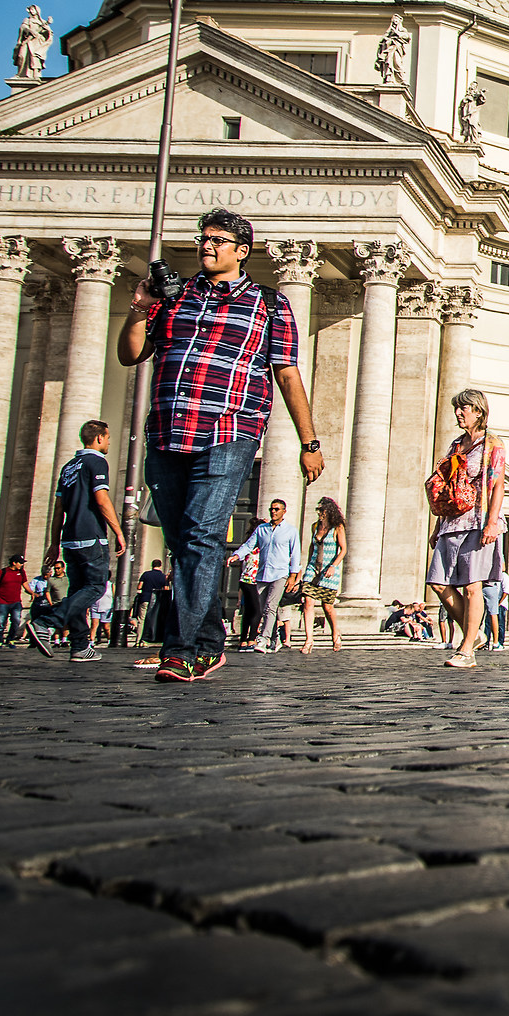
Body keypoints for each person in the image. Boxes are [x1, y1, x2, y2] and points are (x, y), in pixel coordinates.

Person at [116, 207, 323, 684]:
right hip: (167, 430)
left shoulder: (269, 304)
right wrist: (140, 307)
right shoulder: (174, 297)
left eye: (217, 240)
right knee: (184, 543)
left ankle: (182, 649)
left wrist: (308, 441)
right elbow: (131, 355)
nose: (206, 246)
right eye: (203, 238)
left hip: (229, 431)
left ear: (242, 251)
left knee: (201, 536)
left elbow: (287, 373)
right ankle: (209, 644)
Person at [29, 420, 124, 663]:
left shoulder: (68, 467)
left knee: (76, 592)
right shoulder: (96, 462)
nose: (109, 442)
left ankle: (80, 646)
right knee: (96, 587)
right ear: (99, 438)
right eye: (108, 437)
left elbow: (58, 508)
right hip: (91, 536)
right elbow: (101, 499)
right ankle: (46, 622)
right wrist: (118, 531)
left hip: (70, 539)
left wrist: (54, 543)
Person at [426, 389, 505, 669]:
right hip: (452, 522)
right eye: (457, 408)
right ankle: (476, 633)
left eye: (464, 408)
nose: (459, 413)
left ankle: (467, 649)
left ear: (478, 411)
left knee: (473, 586)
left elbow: (498, 485)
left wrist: (492, 523)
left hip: (479, 521)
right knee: (438, 582)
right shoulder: (456, 445)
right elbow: (449, 485)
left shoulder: (493, 444)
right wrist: (438, 525)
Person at [227, 496, 300, 655]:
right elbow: (249, 545)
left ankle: (263, 639)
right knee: (261, 608)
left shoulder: (291, 531)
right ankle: (275, 638)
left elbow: (295, 555)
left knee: (270, 607)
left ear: (284, 511)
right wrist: (237, 555)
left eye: (276, 509)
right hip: (262, 574)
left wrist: (293, 576)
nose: (273, 512)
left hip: (280, 574)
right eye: (271, 509)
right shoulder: (261, 529)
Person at [299, 497, 348, 652]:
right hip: (313, 569)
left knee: (327, 607)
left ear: (329, 511)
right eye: (318, 510)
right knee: (308, 602)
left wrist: (333, 566)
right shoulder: (315, 526)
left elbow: (343, 549)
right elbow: (312, 547)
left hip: (329, 569)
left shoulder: (337, 527)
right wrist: (307, 566)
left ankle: (335, 632)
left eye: (322, 510)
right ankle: (309, 640)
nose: (319, 513)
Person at [0, 556, 29, 647]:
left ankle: (10, 639)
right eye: (20, 563)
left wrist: (32, 593)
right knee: (1, 623)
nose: (21, 564)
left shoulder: (21, 572)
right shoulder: (3, 572)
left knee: (16, 621)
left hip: (16, 602)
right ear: (14, 563)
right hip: (3, 601)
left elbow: (25, 584)